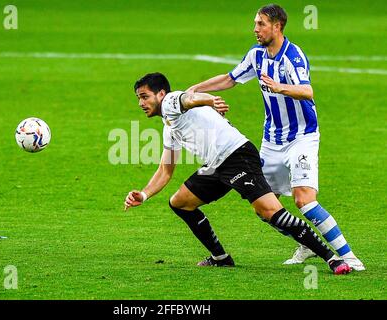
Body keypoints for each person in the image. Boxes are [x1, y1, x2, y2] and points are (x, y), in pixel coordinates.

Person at [186, 4, 365, 271]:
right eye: (255, 23)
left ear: (277, 26)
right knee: (263, 207)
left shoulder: (293, 56)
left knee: (304, 199)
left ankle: (348, 256)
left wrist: (279, 87)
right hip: (271, 141)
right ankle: (308, 244)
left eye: (261, 24)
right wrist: (196, 89)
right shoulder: (256, 55)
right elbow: (231, 78)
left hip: (301, 137)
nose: (255, 29)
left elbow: (307, 91)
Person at [124, 72, 351, 275]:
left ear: (161, 94)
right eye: (138, 99)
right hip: (216, 166)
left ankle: (331, 258)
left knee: (269, 210)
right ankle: (221, 258)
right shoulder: (169, 127)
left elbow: (189, 98)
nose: (141, 103)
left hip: (237, 156)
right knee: (180, 202)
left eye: (144, 97)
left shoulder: (172, 102)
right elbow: (165, 170)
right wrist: (143, 195)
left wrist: (210, 99)